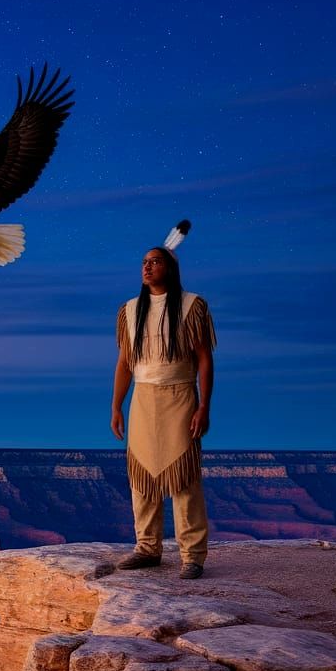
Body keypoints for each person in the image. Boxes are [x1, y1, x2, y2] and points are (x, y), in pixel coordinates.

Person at [110, 227, 216, 579]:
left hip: (181, 395)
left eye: (155, 262)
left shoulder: (191, 306)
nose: (147, 267)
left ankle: (192, 555)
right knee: (142, 476)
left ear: (169, 267)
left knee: (183, 477)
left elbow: (204, 359)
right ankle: (147, 547)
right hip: (143, 398)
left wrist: (204, 407)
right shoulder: (129, 310)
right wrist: (116, 406)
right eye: (144, 262)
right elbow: (125, 363)